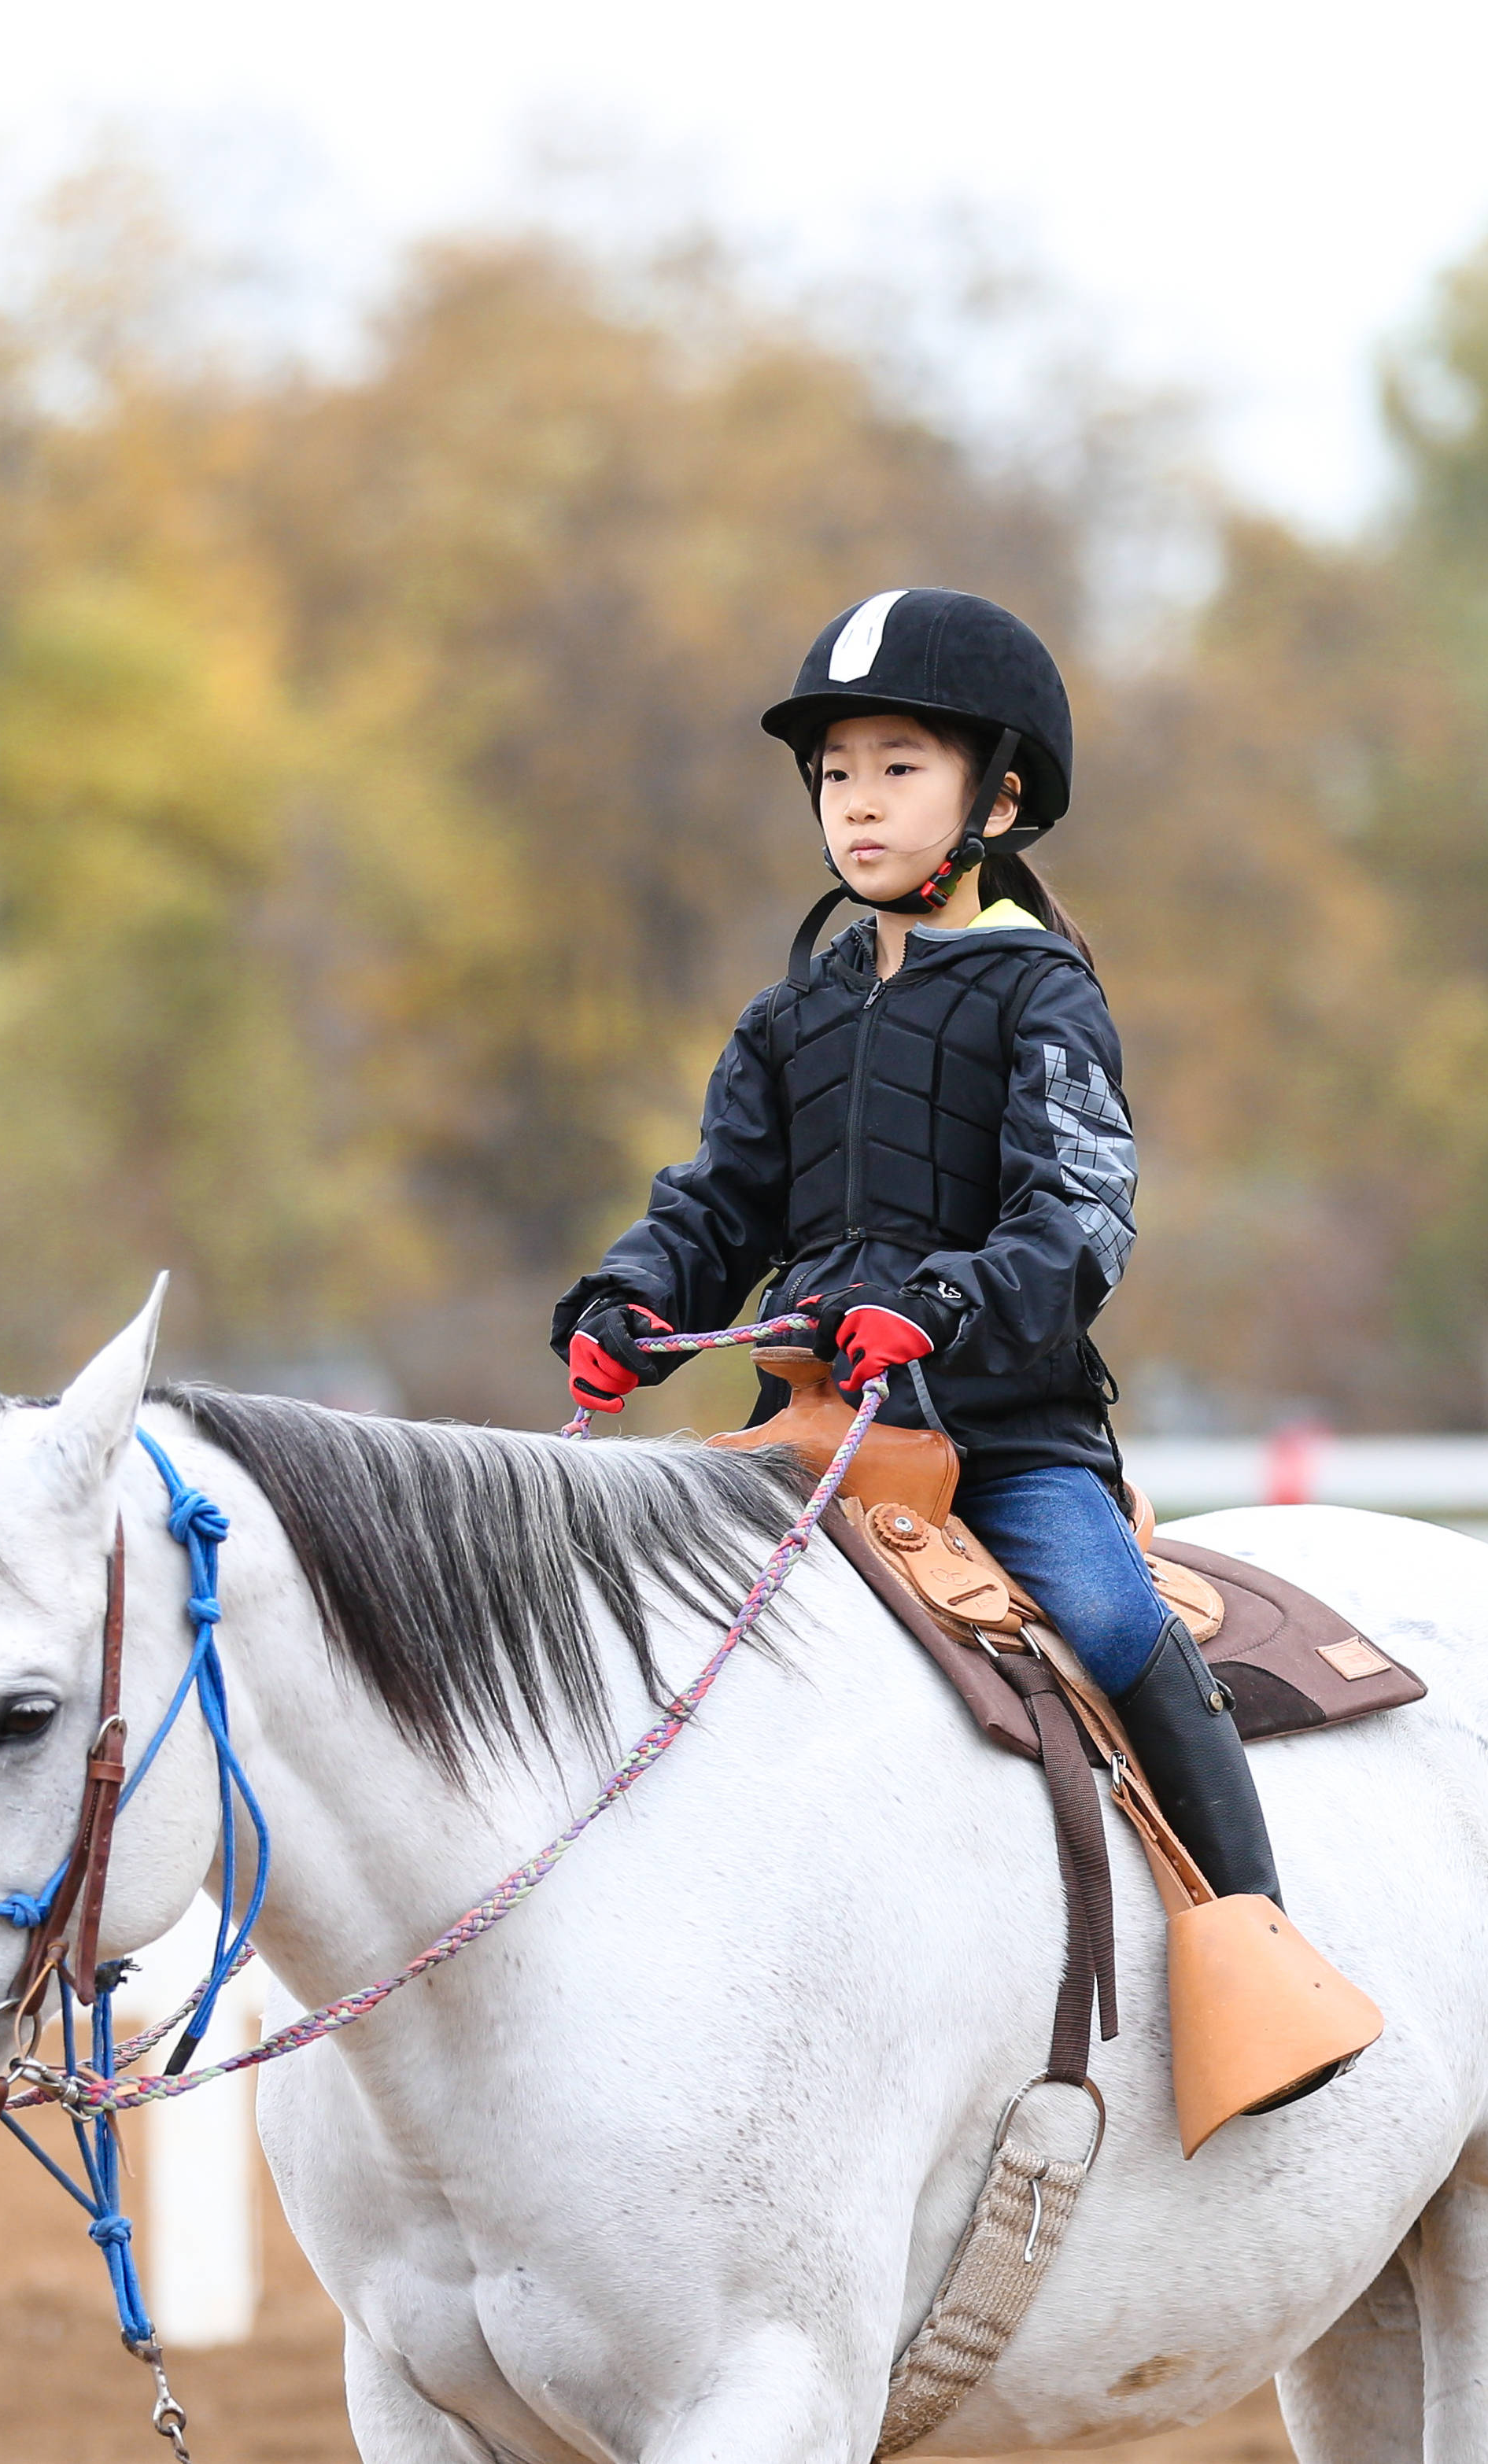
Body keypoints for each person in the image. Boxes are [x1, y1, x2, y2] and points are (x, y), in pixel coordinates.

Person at [548, 588, 1316, 2055]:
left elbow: (1077, 1223)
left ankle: (1255, 1950)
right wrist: (632, 1300)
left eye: (898, 766)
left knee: (1107, 1617)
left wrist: (944, 1304)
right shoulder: (790, 1017)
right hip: (809, 1426)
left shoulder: (1046, 995)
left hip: (1002, 1435)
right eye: (836, 772)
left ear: (999, 793)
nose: (856, 802)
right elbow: (717, 1201)